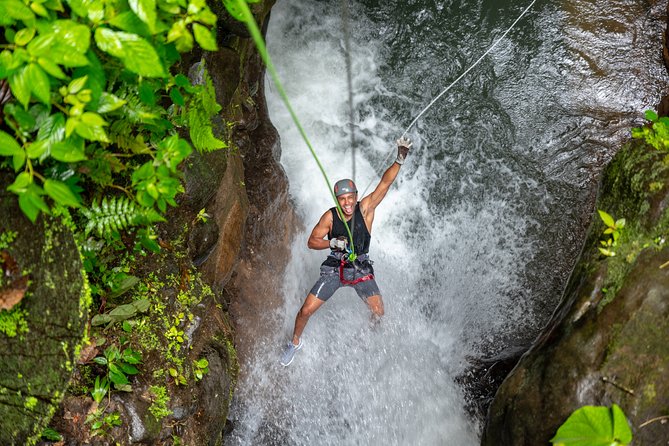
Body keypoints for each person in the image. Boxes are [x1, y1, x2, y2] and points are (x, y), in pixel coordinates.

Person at [280, 136, 412, 366]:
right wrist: (332, 244)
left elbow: (384, 183)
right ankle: (295, 343)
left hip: (360, 269)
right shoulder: (330, 217)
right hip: (336, 269)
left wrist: (399, 160)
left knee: (379, 313)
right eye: (343, 199)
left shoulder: (366, 208)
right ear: (337, 200)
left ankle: (367, 338)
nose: (347, 203)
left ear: (356, 197)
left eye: (351, 198)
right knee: (305, 311)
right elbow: (312, 241)